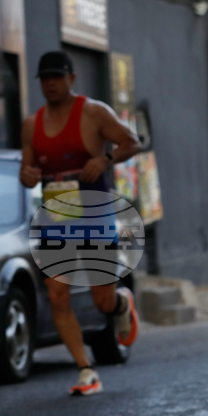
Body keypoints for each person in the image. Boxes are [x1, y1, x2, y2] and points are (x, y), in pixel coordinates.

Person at [19, 51, 141, 396]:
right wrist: (27, 174)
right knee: (57, 295)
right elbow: (27, 174)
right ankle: (86, 370)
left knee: (101, 300)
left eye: (57, 76)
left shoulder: (93, 112)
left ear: (72, 78)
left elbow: (132, 142)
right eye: (45, 78)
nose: (51, 83)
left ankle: (120, 304)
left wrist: (104, 159)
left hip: (94, 211)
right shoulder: (32, 124)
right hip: (55, 218)